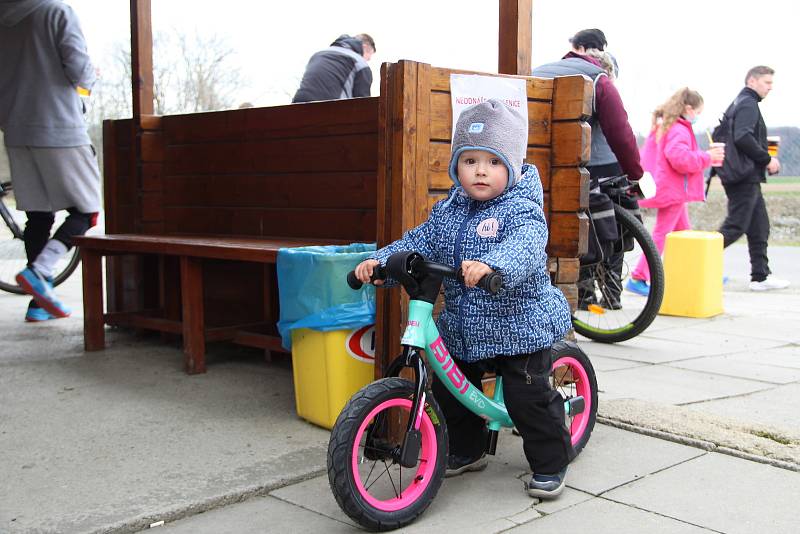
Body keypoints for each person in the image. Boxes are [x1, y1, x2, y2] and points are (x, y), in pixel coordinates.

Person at [354, 100, 575, 499]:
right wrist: (380, 261)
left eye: (492, 161)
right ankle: (468, 449)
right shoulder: (447, 212)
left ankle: (550, 461)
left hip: (519, 323)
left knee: (529, 397)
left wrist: (492, 265)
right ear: (456, 166)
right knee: (452, 390)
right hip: (465, 325)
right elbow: (416, 242)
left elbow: (526, 246)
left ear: (510, 166)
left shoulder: (521, 209)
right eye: (469, 160)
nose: (480, 171)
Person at [0, 0, 101, 321]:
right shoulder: (58, 12)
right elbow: (80, 71)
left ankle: (38, 304)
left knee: (39, 216)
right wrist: (93, 77)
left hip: (15, 129)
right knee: (87, 210)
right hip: (59, 126)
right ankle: (40, 271)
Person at [533, 29, 643, 308]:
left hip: (546, 167)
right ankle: (611, 294)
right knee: (611, 225)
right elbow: (621, 132)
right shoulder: (599, 79)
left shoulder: (540, 71)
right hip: (599, 166)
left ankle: (582, 295)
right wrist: (636, 174)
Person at [627, 88, 725, 295]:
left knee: (683, 233)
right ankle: (639, 276)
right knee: (662, 234)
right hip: (673, 189)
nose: (698, 116)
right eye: (698, 112)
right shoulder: (679, 129)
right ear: (689, 108)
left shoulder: (667, 125)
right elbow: (680, 158)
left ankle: (701, 270)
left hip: (669, 188)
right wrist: (707, 157)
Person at [715, 66, 789, 291]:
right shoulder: (748, 104)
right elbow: (743, 137)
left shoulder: (739, 102)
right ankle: (696, 260)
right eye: (767, 83)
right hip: (743, 176)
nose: (770, 88)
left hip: (741, 175)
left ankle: (760, 276)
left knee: (759, 226)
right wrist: (767, 158)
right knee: (736, 225)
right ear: (752, 81)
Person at [292, 33, 375, 103]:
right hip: (331, 112)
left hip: (297, 108)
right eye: (369, 56)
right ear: (364, 47)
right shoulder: (359, 62)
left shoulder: (318, 55)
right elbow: (363, 103)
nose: (368, 60)